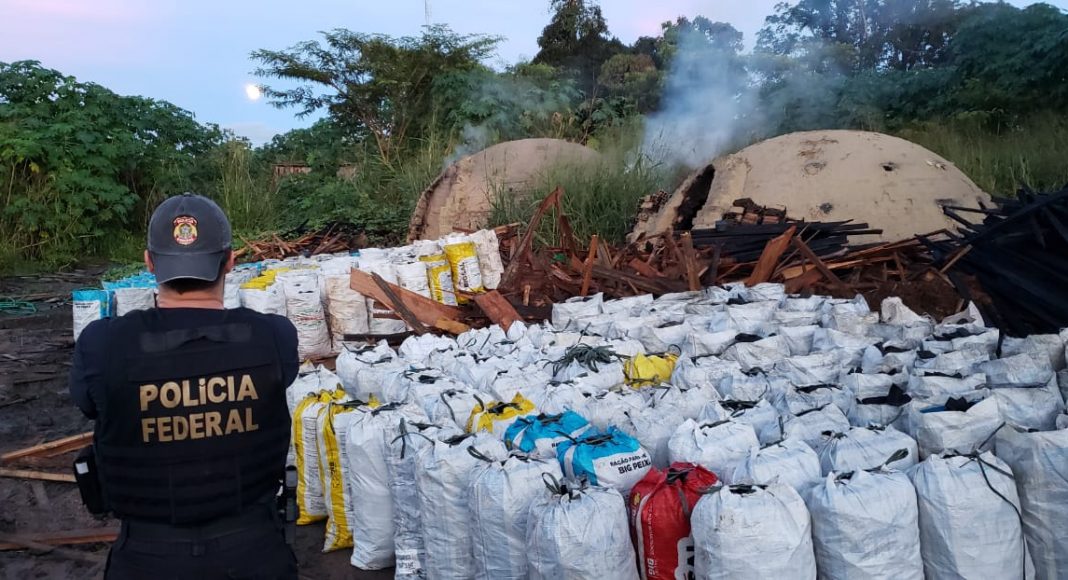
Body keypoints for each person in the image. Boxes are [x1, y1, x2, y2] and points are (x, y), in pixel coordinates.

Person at [70, 193, 300, 579]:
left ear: (149, 262)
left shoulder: (101, 344)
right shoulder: (274, 336)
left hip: (147, 559)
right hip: (255, 553)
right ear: (231, 261)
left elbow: (88, 404)